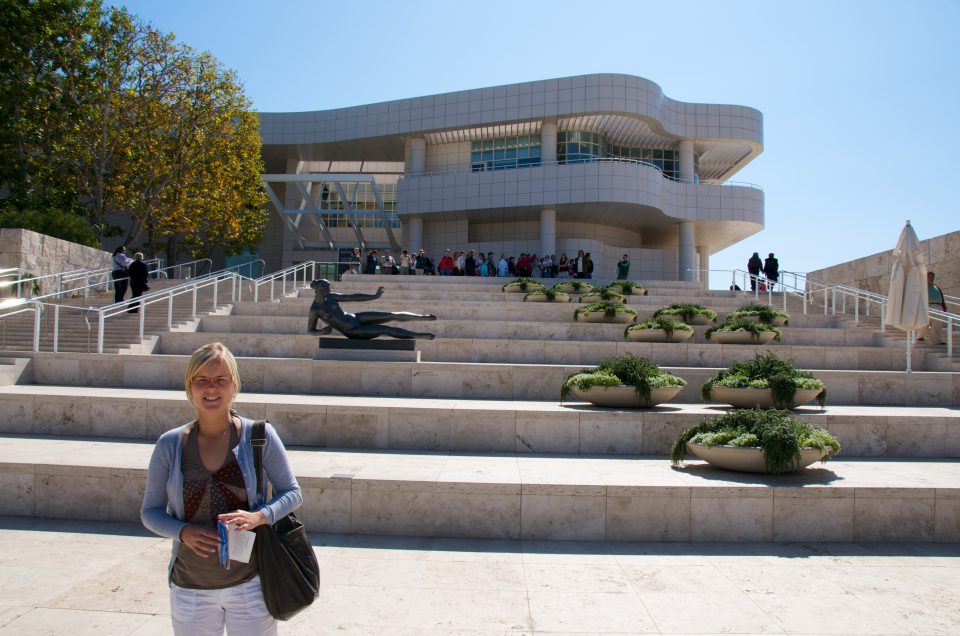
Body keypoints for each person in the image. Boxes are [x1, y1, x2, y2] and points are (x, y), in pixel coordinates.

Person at [141, 342, 302, 636]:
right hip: (190, 588)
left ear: (234, 385)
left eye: (220, 380)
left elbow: (292, 492)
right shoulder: (170, 444)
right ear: (190, 387)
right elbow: (150, 512)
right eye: (201, 380)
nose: (211, 388)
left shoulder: (260, 436)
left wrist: (259, 516)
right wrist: (182, 531)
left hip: (251, 584)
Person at [307, 278, 436, 339]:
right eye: (325, 287)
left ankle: (421, 317)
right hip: (351, 330)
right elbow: (310, 330)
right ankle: (420, 335)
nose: (328, 289)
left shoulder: (331, 296)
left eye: (329, 287)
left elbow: (354, 297)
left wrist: (374, 296)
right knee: (386, 329)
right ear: (317, 289)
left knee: (390, 315)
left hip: (355, 318)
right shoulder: (315, 309)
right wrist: (321, 332)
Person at [921, 271, 948, 344]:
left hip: (938, 307)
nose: (931, 278)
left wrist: (944, 309)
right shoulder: (922, 287)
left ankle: (937, 341)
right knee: (924, 323)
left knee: (937, 325)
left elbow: (941, 298)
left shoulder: (936, 287)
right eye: (929, 277)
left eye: (932, 277)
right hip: (928, 306)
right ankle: (919, 337)